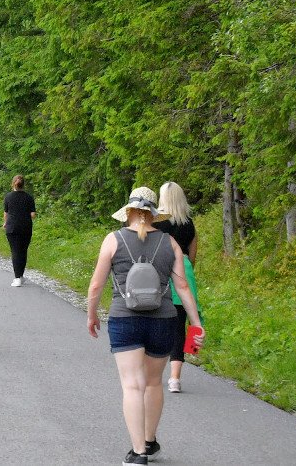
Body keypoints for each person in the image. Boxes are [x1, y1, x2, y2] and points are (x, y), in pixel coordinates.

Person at [86, 187, 204, 465]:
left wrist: (92, 315)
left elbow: (96, 285)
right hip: (162, 320)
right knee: (153, 384)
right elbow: (183, 286)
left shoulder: (113, 240)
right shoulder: (169, 242)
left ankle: (138, 453)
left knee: (132, 386)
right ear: (153, 213)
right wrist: (196, 324)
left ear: (128, 212)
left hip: (124, 319)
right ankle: (150, 443)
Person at [155, 181, 199, 393]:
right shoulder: (189, 224)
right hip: (184, 273)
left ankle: (154, 370)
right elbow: (192, 255)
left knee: (157, 320)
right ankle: (175, 378)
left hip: (161, 272)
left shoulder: (157, 222)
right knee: (180, 323)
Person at [2, 175, 37, 286]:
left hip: (12, 227)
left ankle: (17, 278)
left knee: (15, 251)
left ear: (13, 184)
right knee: (23, 251)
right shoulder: (29, 197)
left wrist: (5, 222)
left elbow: (6, 213)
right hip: (26, 227)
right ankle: (21, 275)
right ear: (23, 184)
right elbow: (33, 214)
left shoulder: (8, 197)